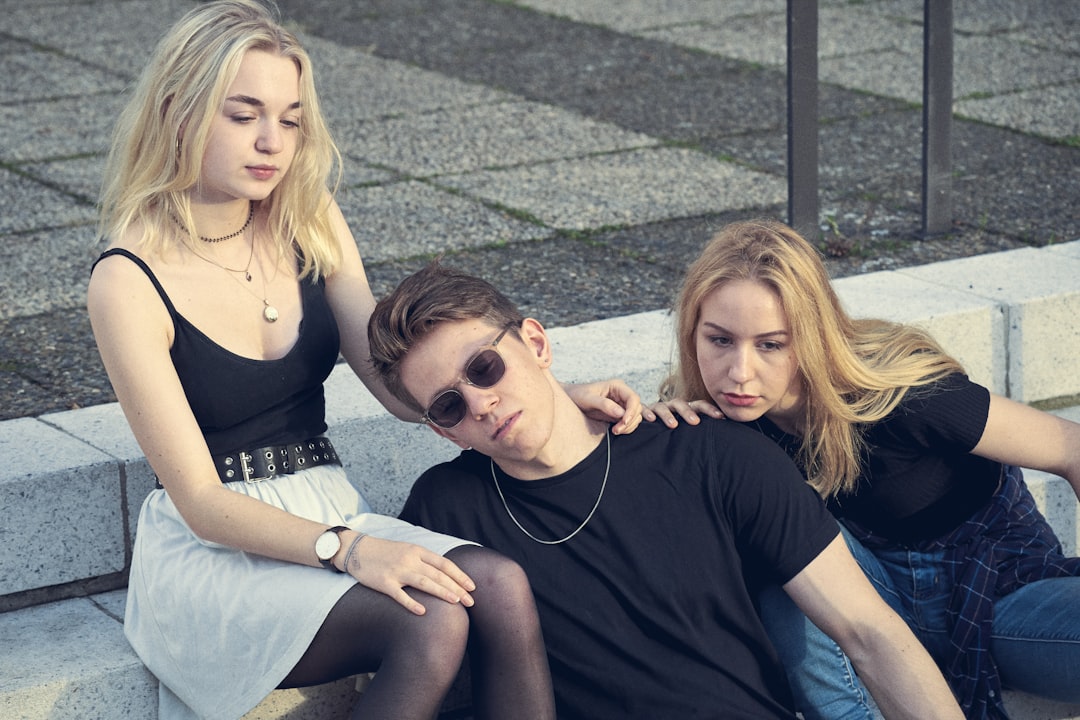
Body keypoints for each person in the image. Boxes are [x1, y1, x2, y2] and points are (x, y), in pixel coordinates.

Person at [87, 2, 639, 717]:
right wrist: (345, 550)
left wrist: (546, 395)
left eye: (289, 119)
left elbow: (396, 383)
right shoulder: (127, 279)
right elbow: (199, 503)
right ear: (178, 110)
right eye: (243, 114)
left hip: (326, 504)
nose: (270, 142)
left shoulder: (305, 215)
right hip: (217, 556)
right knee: (433, 618)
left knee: (498, 585)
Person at [365, 260, 965, 720]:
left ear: (538, 344)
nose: (480, 402)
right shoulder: (444, 510)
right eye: (448, 405)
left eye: (485, 368)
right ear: (444, 432)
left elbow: (869, 632)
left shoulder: (710, 452)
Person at [649, 219, 1080, 719]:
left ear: (810, 336)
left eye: (771, 344)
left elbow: (1070, 445)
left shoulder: (900, 397)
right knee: (783, 553)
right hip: (861, 611)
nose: (740, 372)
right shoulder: (712, 423)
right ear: (693, 332)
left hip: (1003, 596)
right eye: (720, 340)